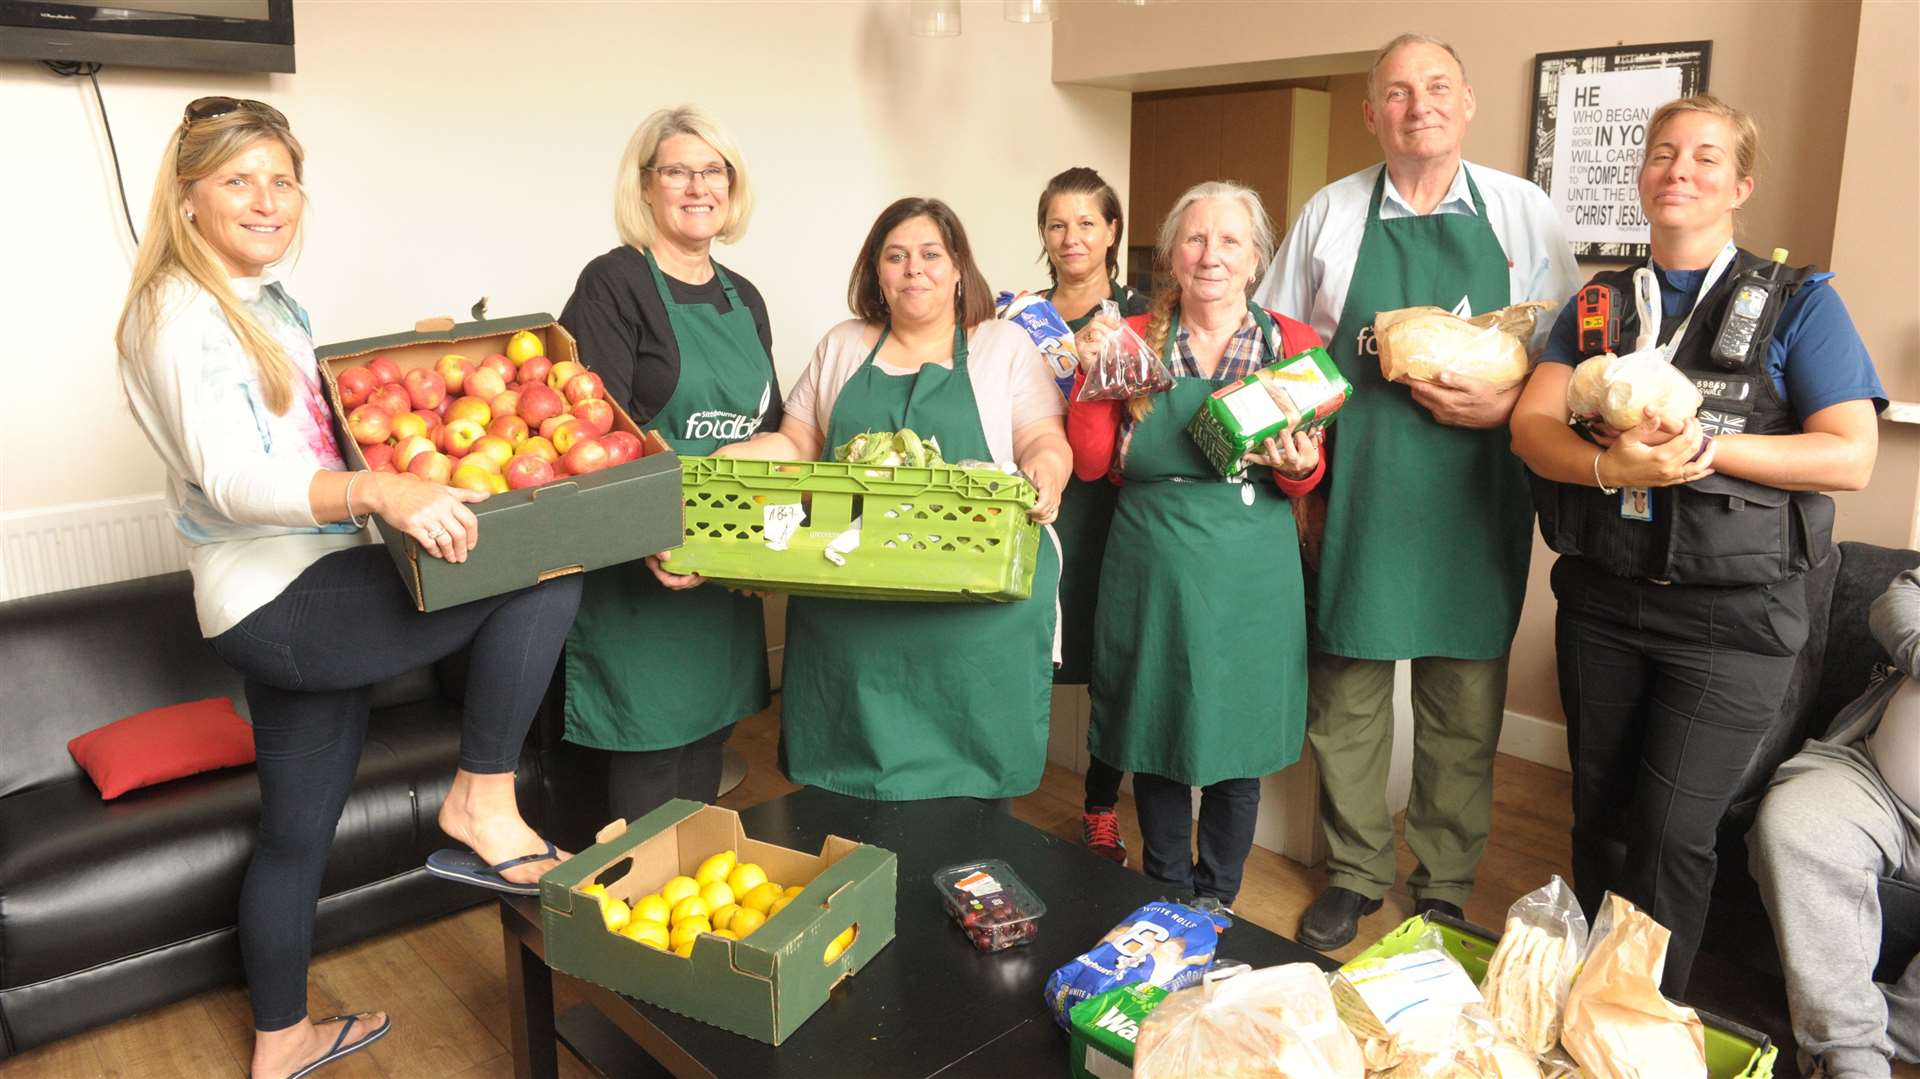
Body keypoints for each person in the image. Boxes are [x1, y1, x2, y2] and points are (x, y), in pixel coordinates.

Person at [114, 98, 581, 1079]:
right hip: (288, 593)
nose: (266, 199)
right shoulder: (181, 312)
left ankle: (280, 1040)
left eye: (281, 179)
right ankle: (483, 799)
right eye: (238, 179)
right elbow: (236, 481)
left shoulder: (265, 302)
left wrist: (427, 369)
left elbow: (308, 430)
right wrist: (379, 486)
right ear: (188, 195)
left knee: (295, 828)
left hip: (283, 596)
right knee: (544, 561)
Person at [1512, 93, 1883, 997]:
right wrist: (1610, 469)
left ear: (1740, 183)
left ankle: (1642, 1017)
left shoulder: (1800, 303)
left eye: (1707, 157)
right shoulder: (1596, 305)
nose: (1681, 170)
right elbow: (1531, 426)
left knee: (1673, 829)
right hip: (1603, 602)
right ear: (1642, 175)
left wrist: (1707, 447)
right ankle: (1583, 1000)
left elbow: (1850, 455)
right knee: (1599, 811)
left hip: (1736, 621)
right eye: (1665, 153)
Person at [1255, 33, 1583, 950]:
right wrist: (1296, 482)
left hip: (1478, 496)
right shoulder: (1330, 214)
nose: (1419, 104)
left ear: (1467, 102)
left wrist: (1508, 401)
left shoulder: (1522, 213)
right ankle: (1355, 872)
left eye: (1437, 86)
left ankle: (1443, 883)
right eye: (1397, 92)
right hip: (1362, 489)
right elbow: (1290, 352)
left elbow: (1563, 355)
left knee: (1463, 707)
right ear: (1372, 114)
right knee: (1347, 696)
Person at [719, 198, 1070, 802]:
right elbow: (798, 441)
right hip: (854, 615)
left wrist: (1047, 466)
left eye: (931, 254)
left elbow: (1042, 435)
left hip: (975, 615)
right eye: (897, 256)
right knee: (843, 807)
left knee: (971, 806)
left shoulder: (1002, 346)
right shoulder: (844, 345)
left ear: (959, 266)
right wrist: (730, 459)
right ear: (876, 271)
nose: (915, 269)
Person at [1068, 181, 1324, 905]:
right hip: (1153, 556)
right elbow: (1090, 462)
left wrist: (1303, 468)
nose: (1211, 255)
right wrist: (1090, 376)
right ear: (1171, 255)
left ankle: (1217, 899)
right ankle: (1167, 888)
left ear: (1255, 260)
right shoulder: (1129, 338)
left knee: (1237, 743)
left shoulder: (1292, 346)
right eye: (1195, 239)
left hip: (1252, 565)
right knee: (1157, 731)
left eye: (1230, 241)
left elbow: (1308, 474)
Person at [558, 106, 779, 825]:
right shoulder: (613, 283)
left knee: (707, 758)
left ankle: (684, 930)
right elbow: (597, 438)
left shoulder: (745, 298)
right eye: (677, 170)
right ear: (645, 185)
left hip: (720, 574)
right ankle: (626, 934)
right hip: (641, 574)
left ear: (732, 185)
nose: (697, 186)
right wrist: (664, 534)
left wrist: (743, 550)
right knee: (646, 774)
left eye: (712, 170)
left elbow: (768, 437)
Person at [1751, 570, 1920, 1079]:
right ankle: (1854, 1059)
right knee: (1795, 824)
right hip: (1873, 779)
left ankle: (1875, 1031)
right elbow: (1900, 596)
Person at [1031, 166, 1150, 865]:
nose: (1071, 237)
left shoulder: (1140, 317)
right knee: (1025, 649)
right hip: (1041, 507)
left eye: (1086, 222)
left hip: (1115, 511)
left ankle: (1101, 809)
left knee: (1114, 661)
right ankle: (1005, 783)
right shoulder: (1019, 314)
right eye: (1056, 223)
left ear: (1112, 231)